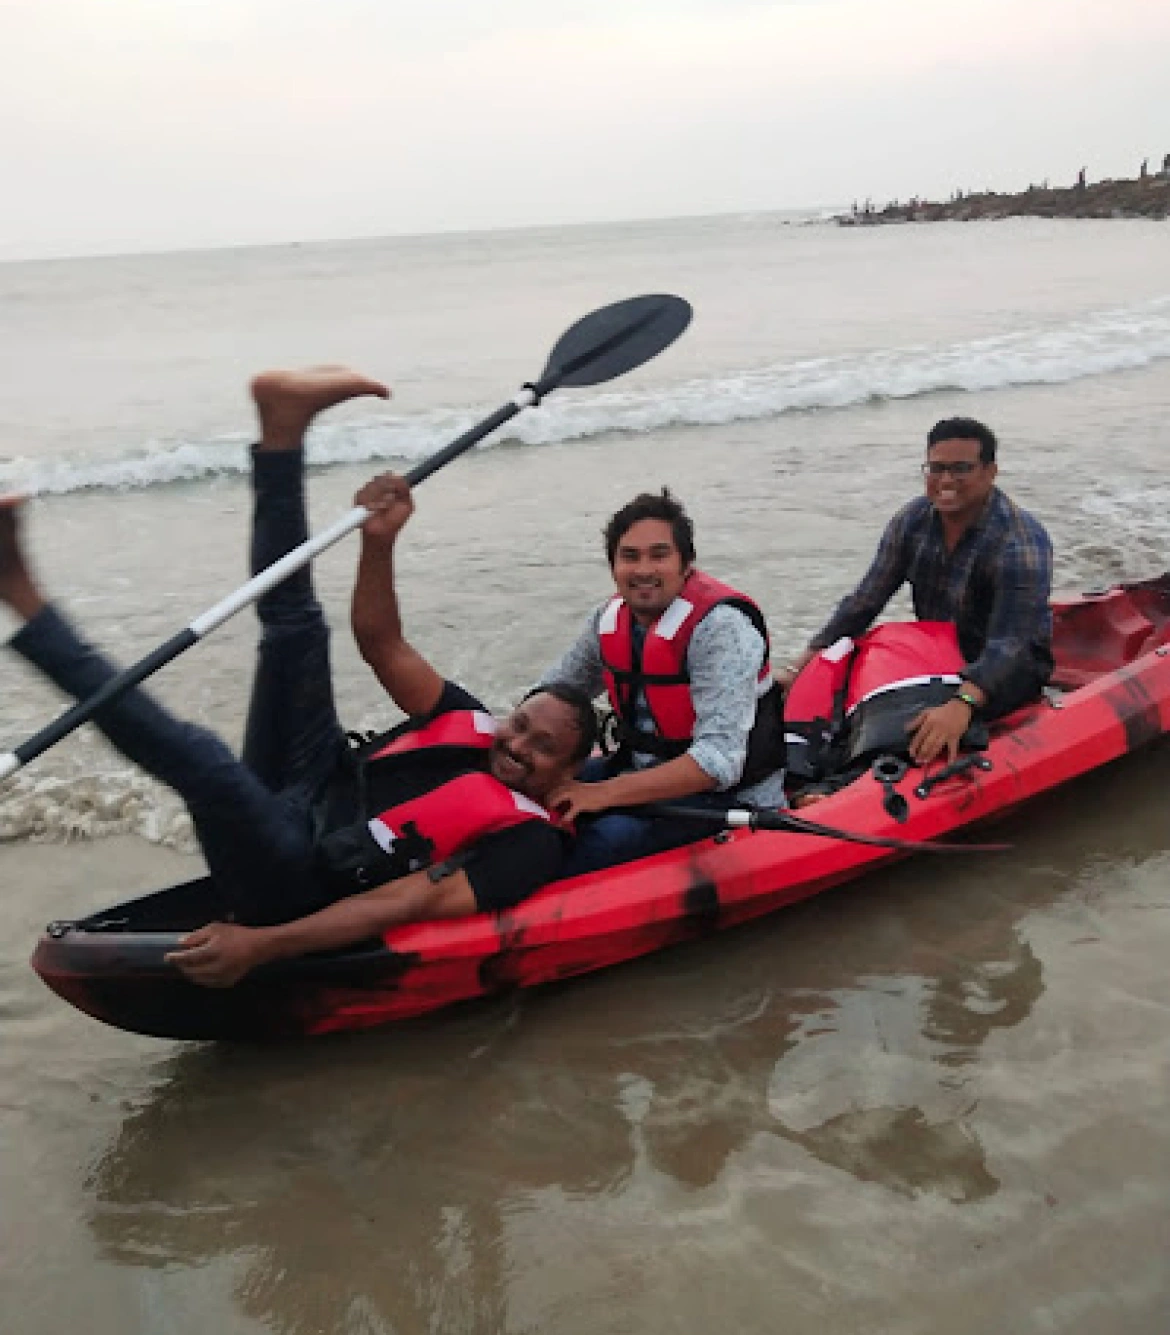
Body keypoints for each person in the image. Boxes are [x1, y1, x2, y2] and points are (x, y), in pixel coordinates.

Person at [0, 368, 595, 988]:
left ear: (569, 770)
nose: (517, 745)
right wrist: (379, 542)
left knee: (206, 764)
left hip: (300, 878)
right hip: (311, 779)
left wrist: (263, 945)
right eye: (520, 725)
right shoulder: (468, 720)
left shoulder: (531, 843)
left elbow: (404, 904)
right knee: (296, 630)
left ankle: (21, 596)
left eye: (542, 747)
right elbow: (381, 642)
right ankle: (282, 435)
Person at [778, 417, 1053, 767]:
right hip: (937, 657)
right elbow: (865, 601)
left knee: (905, 731)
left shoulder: (1019, 541)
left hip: (1011, 668)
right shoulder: (912, 521)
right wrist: (800, 665)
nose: (947, 481)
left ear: (990, 472)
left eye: (961, 469)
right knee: (845, 696)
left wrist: (961, 704)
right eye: (936, 468)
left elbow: (1011, 644)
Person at [539, 489, 786, 875]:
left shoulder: (722, 629)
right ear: (613, 565)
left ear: (686, 564)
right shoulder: (606, 621)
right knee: (533, 790)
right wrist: (507, 749)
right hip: (638, 770)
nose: (643, 570)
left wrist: (602, 794)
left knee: (603, 840)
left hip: (729, 797)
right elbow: (552, 695)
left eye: (659, 555)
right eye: (630, 556)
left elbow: (718, 763)